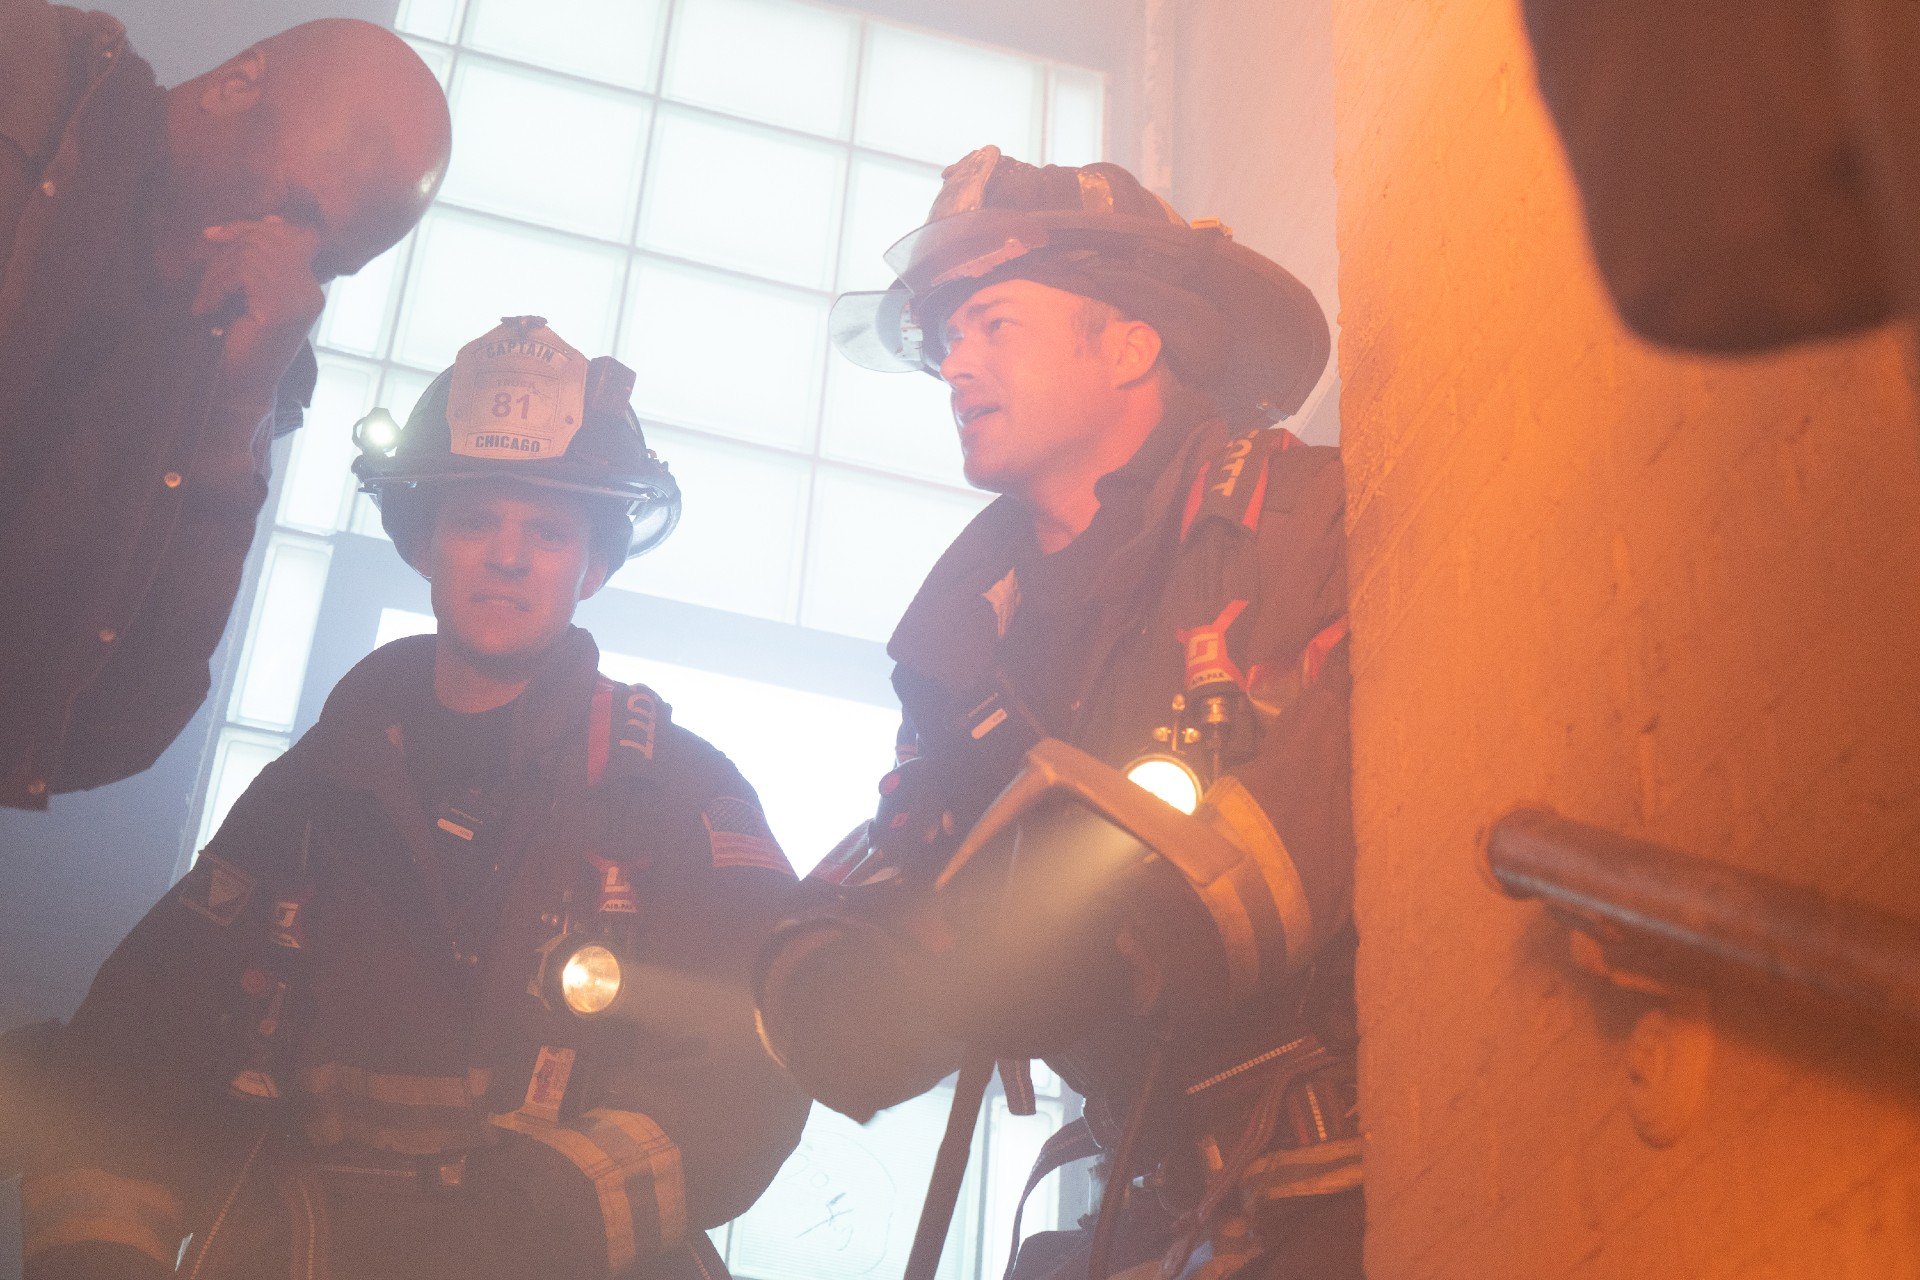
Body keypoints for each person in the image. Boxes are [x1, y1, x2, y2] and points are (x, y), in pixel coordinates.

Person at [11, 318, 810, 1280]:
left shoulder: (675, 792)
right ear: (426, 545)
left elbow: (757, 1057)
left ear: (592, 567)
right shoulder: (309, 796)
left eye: (547, 530)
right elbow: (134, 1050)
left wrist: (528, 1224)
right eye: (477, 520)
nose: (508, 555)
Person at [757, 148, 1361, 1279]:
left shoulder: (1302, 523)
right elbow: (909, 863)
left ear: (1131, 342)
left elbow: (1341, 781)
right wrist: (859, 984)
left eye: (993, 322)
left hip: (1347, 1193)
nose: (955, 366)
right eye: (946, 338)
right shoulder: (963, 648)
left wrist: (1111, 940)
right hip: (1167, 1208)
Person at [0, 4, 452, 808]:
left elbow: (106, 733)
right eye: (296, 211)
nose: (291, 265)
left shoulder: (241, 346)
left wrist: (234, 414)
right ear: (236, 85)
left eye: (329, 264)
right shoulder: (26, 80)